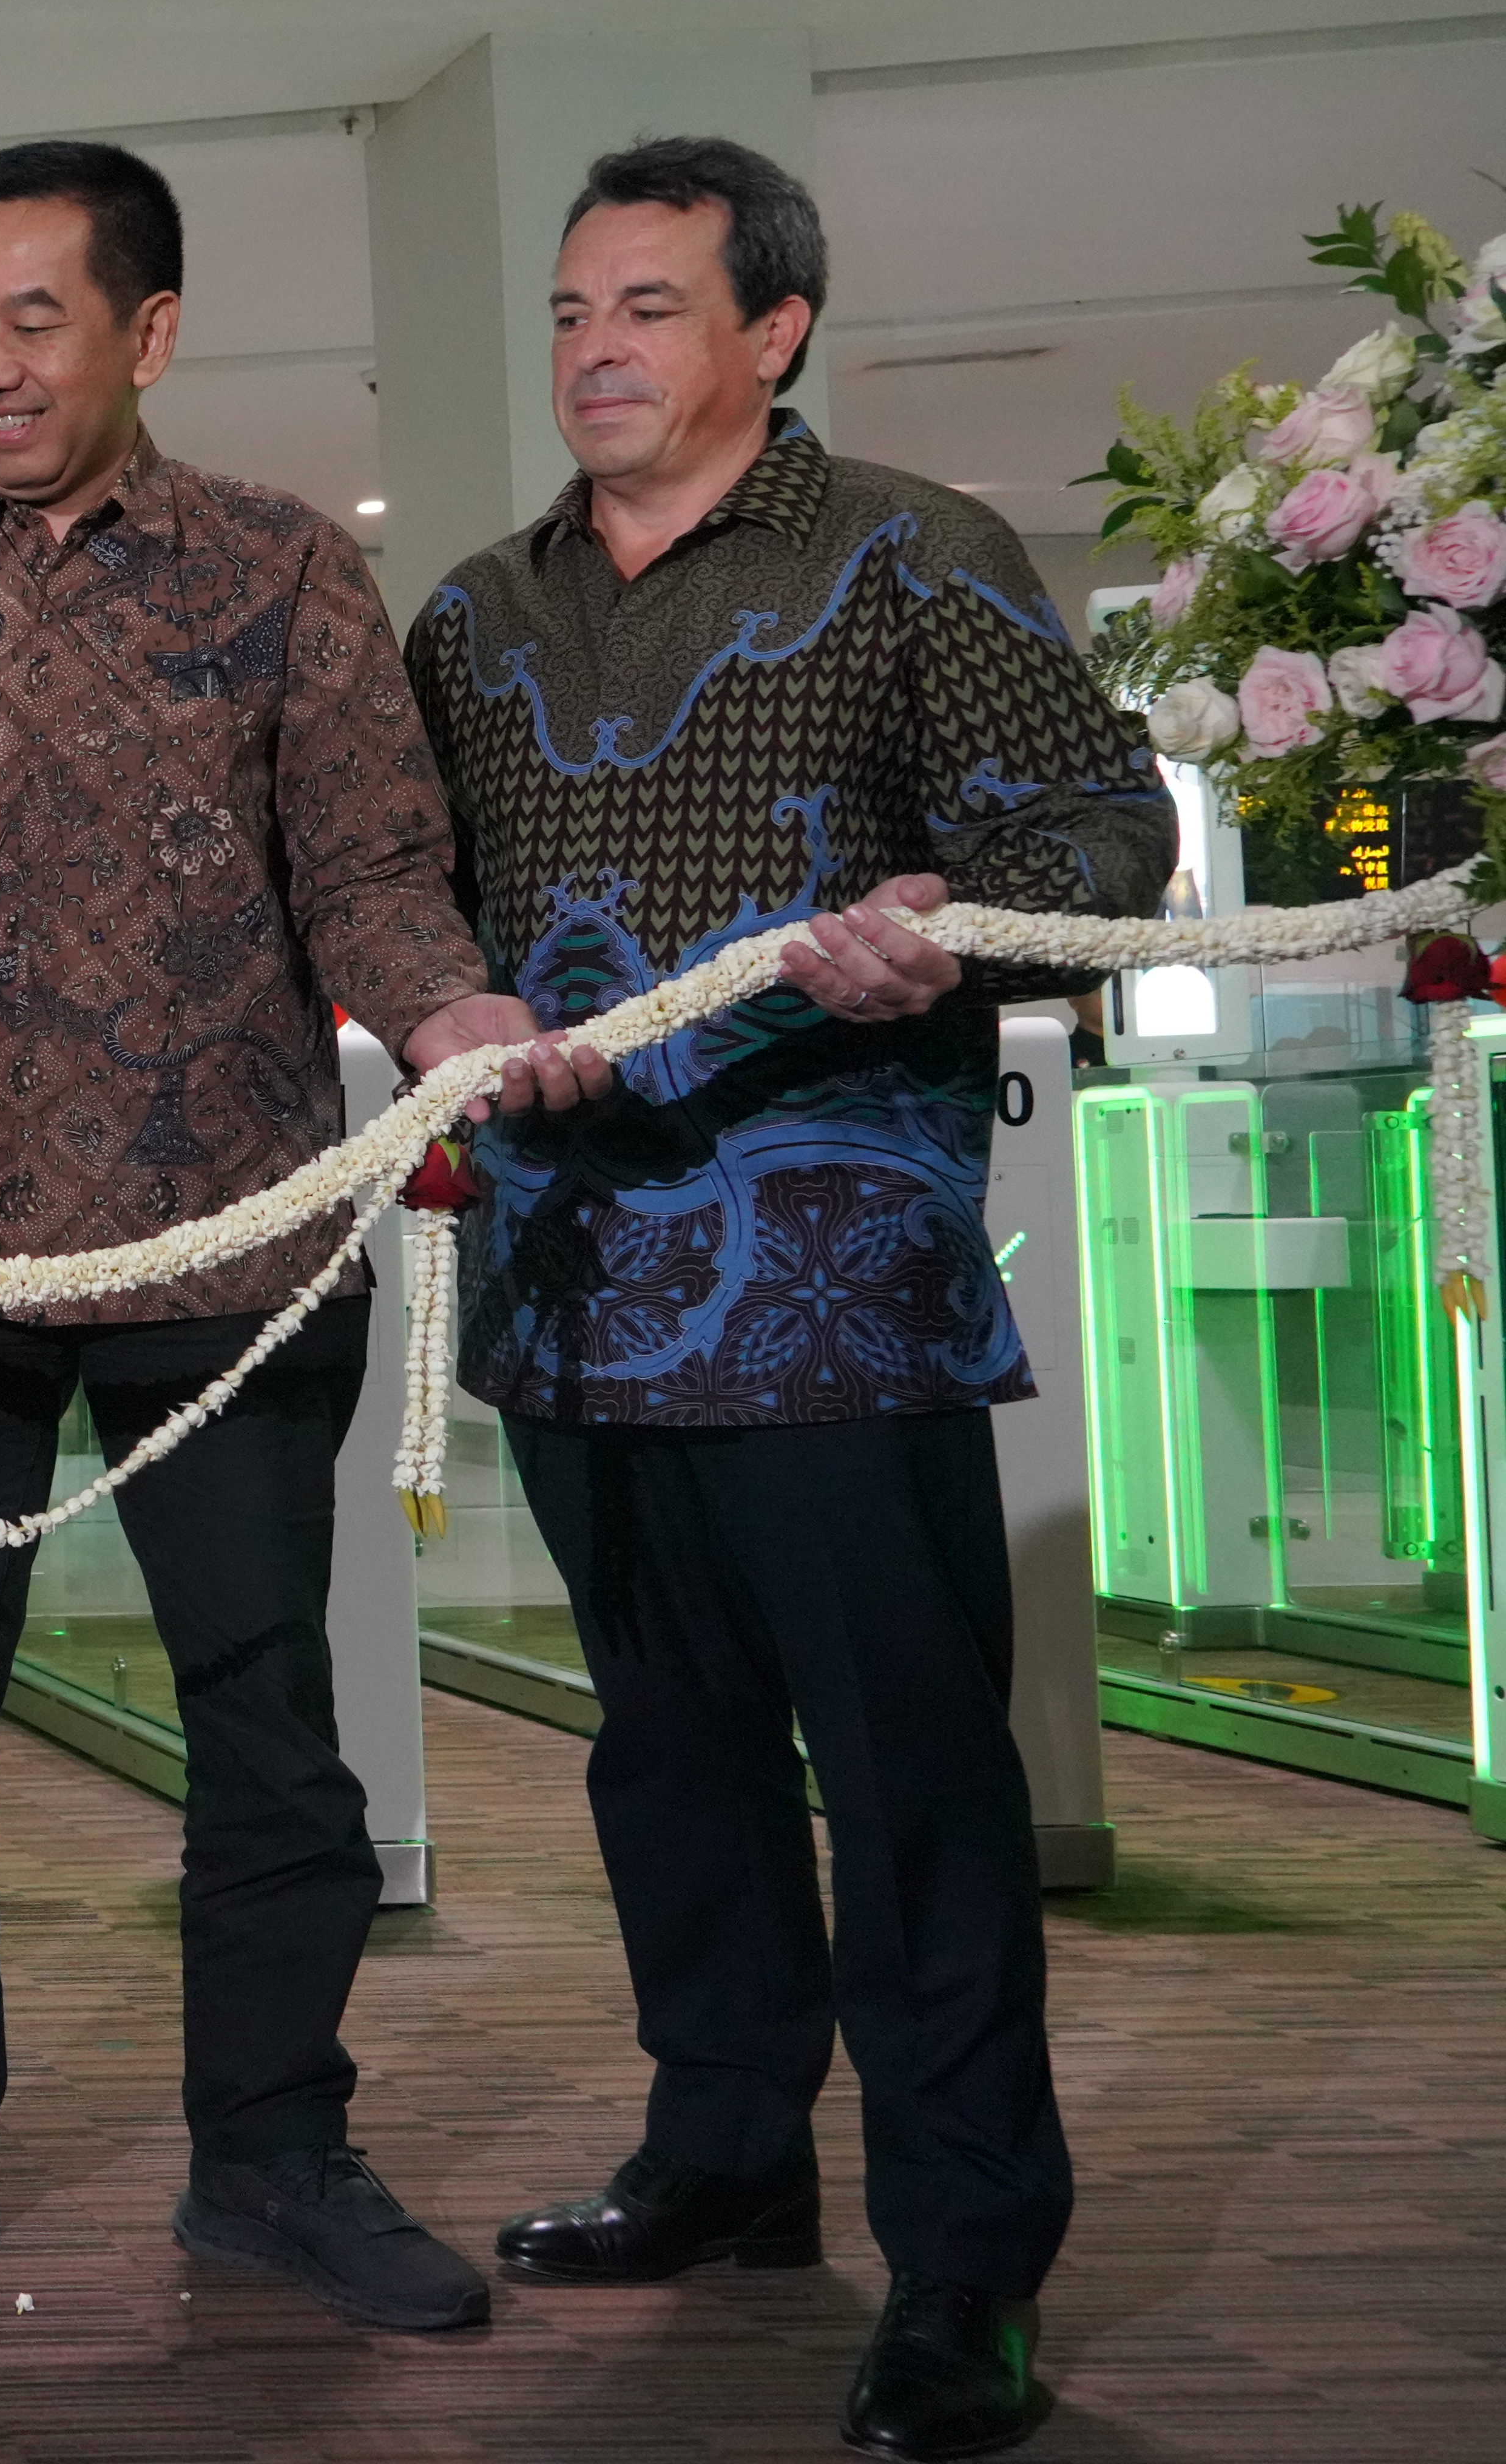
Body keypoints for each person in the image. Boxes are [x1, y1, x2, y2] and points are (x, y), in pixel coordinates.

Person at [0, 141, 525, 2337]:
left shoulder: (281, 568)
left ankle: (272, 2153)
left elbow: (371, 867)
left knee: (270, 1728)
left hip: (225, 1255)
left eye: (34, 320)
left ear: (148, 333)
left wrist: (444, 1005)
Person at [404, 136, 1167, 2464]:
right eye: (570, 311)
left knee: (913, 1784)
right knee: (669, 1764)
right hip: (572, 1281)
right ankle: (726, 2151)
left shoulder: (915, 551)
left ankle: (965, 2269)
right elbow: (403, 892)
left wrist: (948, 922)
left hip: (840, 1291)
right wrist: (440, 1002)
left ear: (775, 328)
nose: (593, 350)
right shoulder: (473, 612)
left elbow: (1104, 836)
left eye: (645, 306)